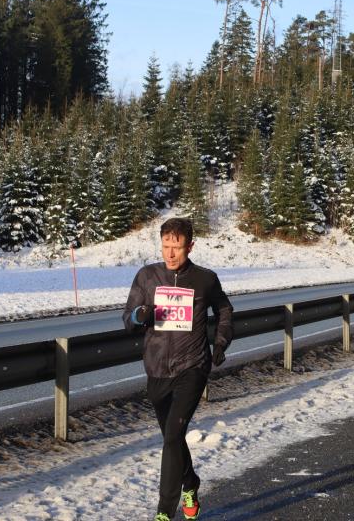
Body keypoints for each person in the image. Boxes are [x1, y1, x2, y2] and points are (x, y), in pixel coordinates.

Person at [124, 217, 233, 521]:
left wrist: (221, 342)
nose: (170, 254)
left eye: (177, 247)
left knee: (173, 433)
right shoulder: (147, 277)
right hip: (157, 371)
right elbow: (127, 320)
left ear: (191, 246)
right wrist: (139, 314)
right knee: (172, 439)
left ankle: (163, 512)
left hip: (192, 367)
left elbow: (224, 309)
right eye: (166, 246)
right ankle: (190, 482)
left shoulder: (205, 279)